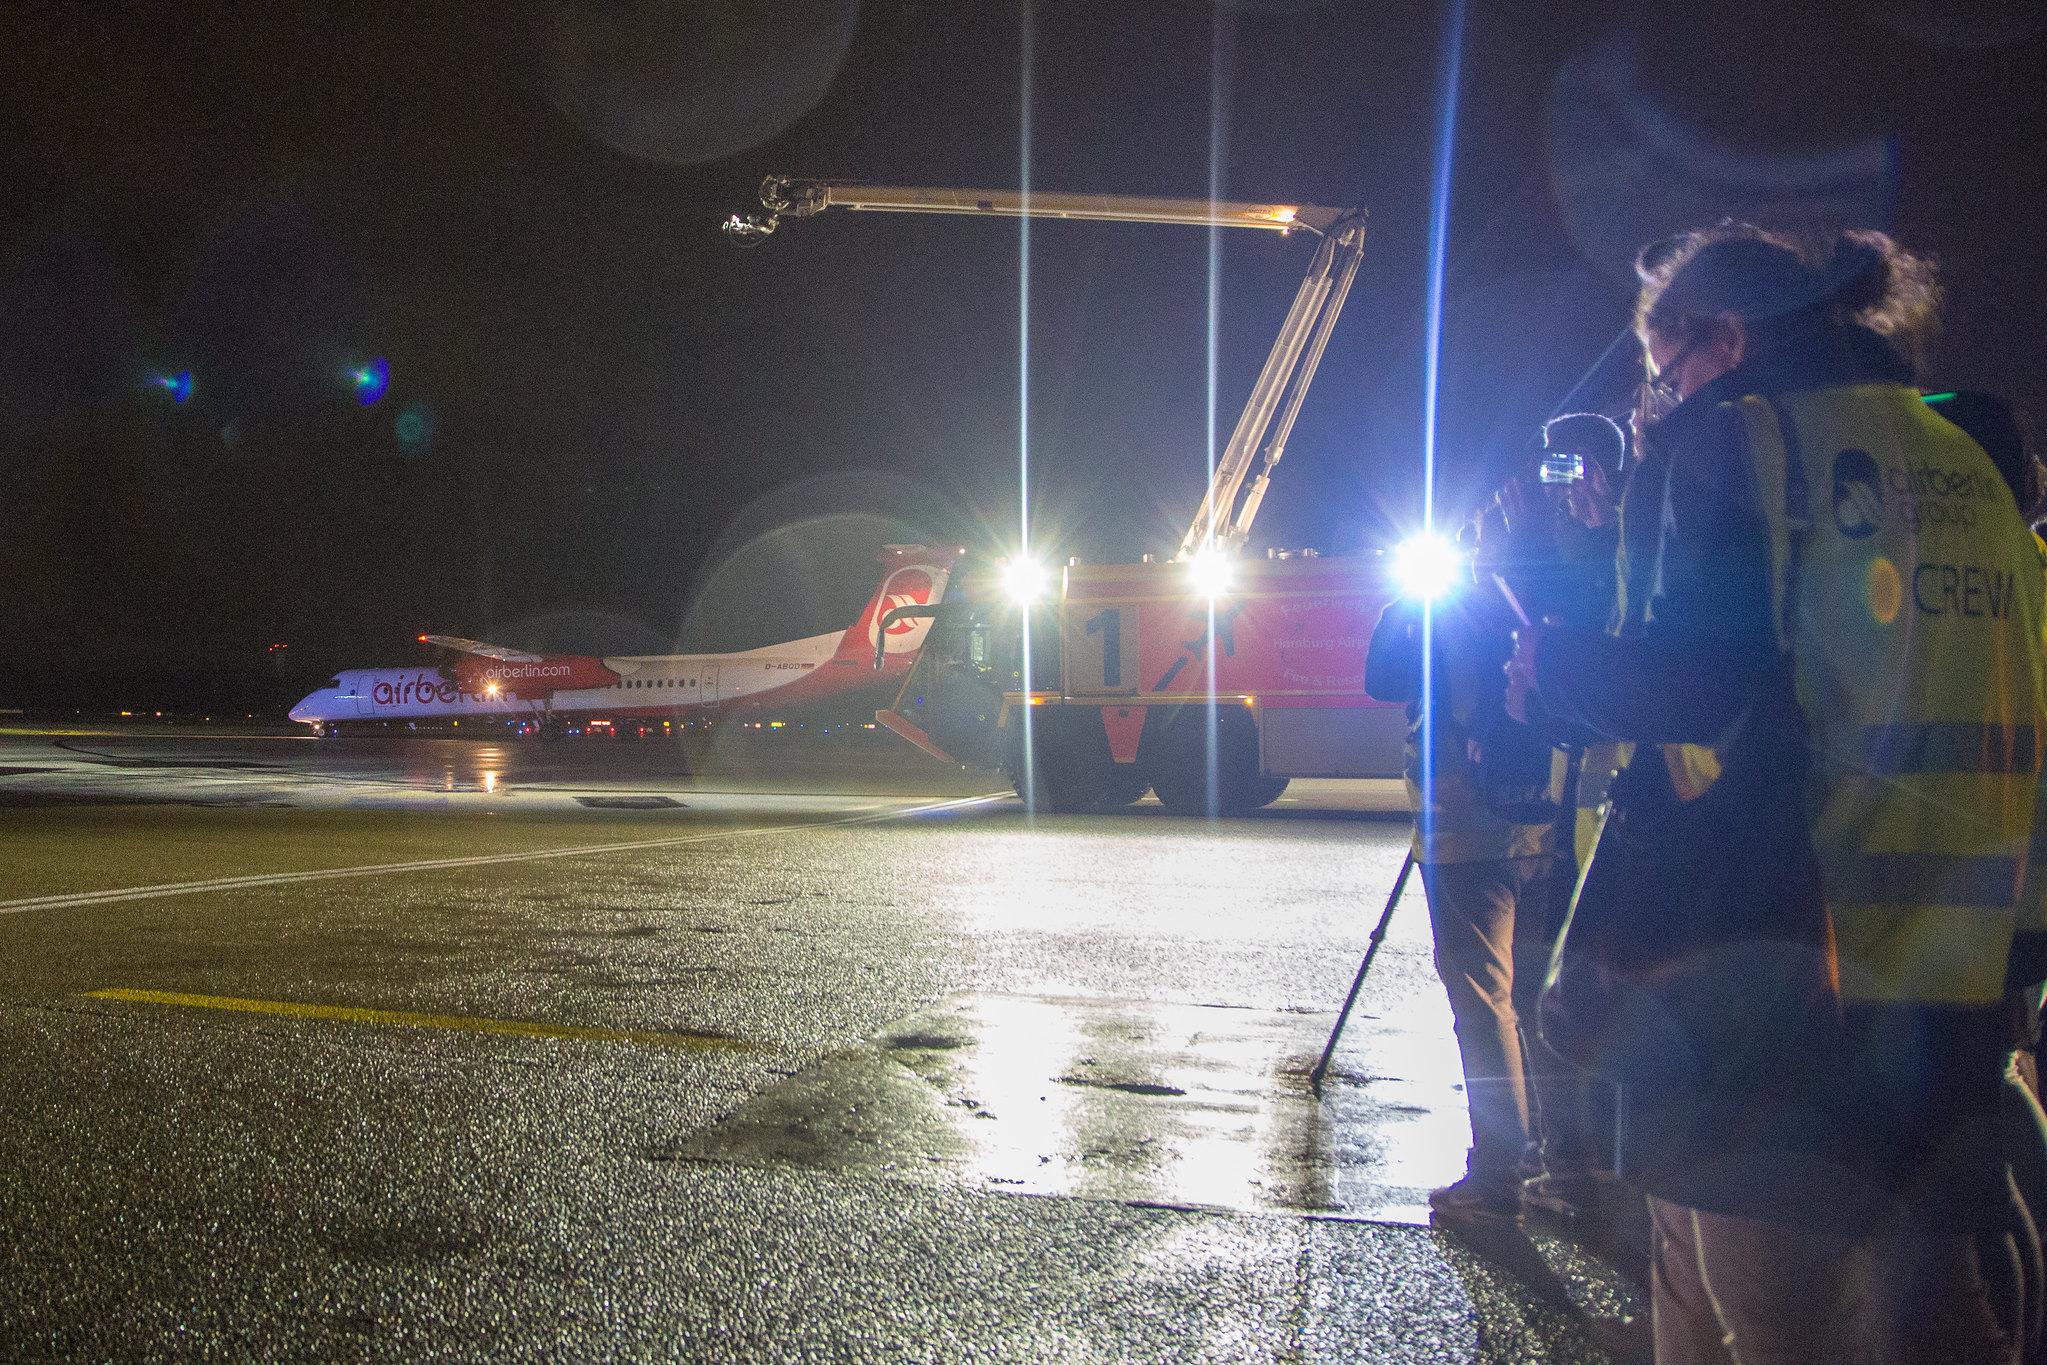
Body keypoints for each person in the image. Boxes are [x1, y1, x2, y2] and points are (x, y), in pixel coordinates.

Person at [1510, 223, 2046, 1362]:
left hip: (1774, 940)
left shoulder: (1736, 440)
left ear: (1727, 336)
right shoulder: (1971, 449)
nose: (1657, 400)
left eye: (1662, 370)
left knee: (1751, 1293)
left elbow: (1704, 685)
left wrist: (1553, 668)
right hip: (1962, 943)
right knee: (1923, 1293)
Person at [1366, 516, 1558, 1224]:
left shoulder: (1443, 607)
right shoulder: (1542, 585)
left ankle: (1498, 1173)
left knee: (1483, 1005)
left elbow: (1379, 676)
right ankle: (1566, 1159)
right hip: (1546, 823)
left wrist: (1407, 595)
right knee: (1541, 1000)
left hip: (1467, 833)